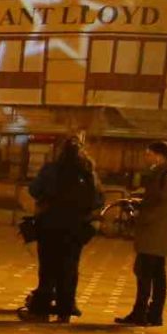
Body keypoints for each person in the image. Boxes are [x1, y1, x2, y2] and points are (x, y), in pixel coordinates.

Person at [19, 133, 101, 323]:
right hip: (76, 227)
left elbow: (34, 191)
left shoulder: (51, 170)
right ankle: (65, 310)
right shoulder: (88, 172)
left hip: (50, 224)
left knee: (48, 267)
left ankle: (41, 310)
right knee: (70, 268)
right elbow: (97, 200)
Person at [119, 140, 167, 328]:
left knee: (147, 273)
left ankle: (145, 313)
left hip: (158, 232)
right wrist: (139, 202)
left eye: (148, 154)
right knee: (153, 273)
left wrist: (143, 217)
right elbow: (157, 200)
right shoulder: (160, 174)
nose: (146, 157)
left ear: (159, 155)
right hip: (153, 232)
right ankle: (150, 314)